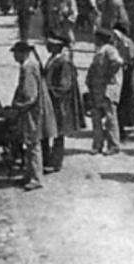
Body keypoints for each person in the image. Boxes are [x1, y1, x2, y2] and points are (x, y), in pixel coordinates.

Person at [9, 40, 57, 190]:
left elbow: (31, 96)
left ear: (23, 53)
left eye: (16, 53)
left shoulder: (28, 68)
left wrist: (18, 106)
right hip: (34, 110)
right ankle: (29, 175)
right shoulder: (30, 66)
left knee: (33, 144)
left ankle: (36, 178)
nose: (14, 56)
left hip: (33, 112)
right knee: (30, 143)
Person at [43, 35, 84, 172]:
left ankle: (55, 162)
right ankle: (46, 158)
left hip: (60, 103)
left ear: (57, 45)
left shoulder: (64, 62)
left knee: (58, 132)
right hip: (52, 100)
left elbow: (64, 85)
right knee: (48, 130)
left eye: (50, 43)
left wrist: (48, 89)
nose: (47, 45)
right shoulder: (53, 58)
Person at [86, 26, 124, 155]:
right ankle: (97, 144)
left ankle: (114, 145)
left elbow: (118, 62)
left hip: (107, 89)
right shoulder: (100, 51)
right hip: (97, 88)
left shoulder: (110, 50)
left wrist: (108, 75)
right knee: (96, 118)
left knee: (110, 118)